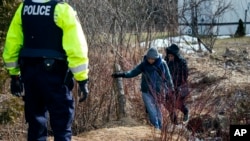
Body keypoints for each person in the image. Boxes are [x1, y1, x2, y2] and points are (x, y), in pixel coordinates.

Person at [2, 0, 89, 140]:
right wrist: (82, 78)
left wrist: (14, 75)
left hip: (29, 73)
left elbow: (12, 43)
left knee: (35, 124)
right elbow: (76, 47)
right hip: (56, 75)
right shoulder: (62, 9)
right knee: (62, 124)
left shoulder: (24, 8)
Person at [112, 47, 174, 130]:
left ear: (156, 58)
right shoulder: (144, 64)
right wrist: (121, 74)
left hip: (159, 91)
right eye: (149, 58)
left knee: (159, 110)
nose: (150, 60)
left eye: (153, 59)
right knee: (151, 111)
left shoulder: (162, 64)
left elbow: (168, 77)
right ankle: (156, 128)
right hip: (146, 91)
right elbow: (133, 72)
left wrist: (171, 89)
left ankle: (160, 128)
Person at [165, 44, 190, 123]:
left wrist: (177, 84)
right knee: (168, 104)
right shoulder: (166, 61)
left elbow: (184, 75)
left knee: (177, 103)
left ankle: (186, 112)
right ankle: (174, 122)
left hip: (178, 86)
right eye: (169, 56)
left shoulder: (182, 62)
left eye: (172, 56)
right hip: (168, 86)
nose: (170, 57)